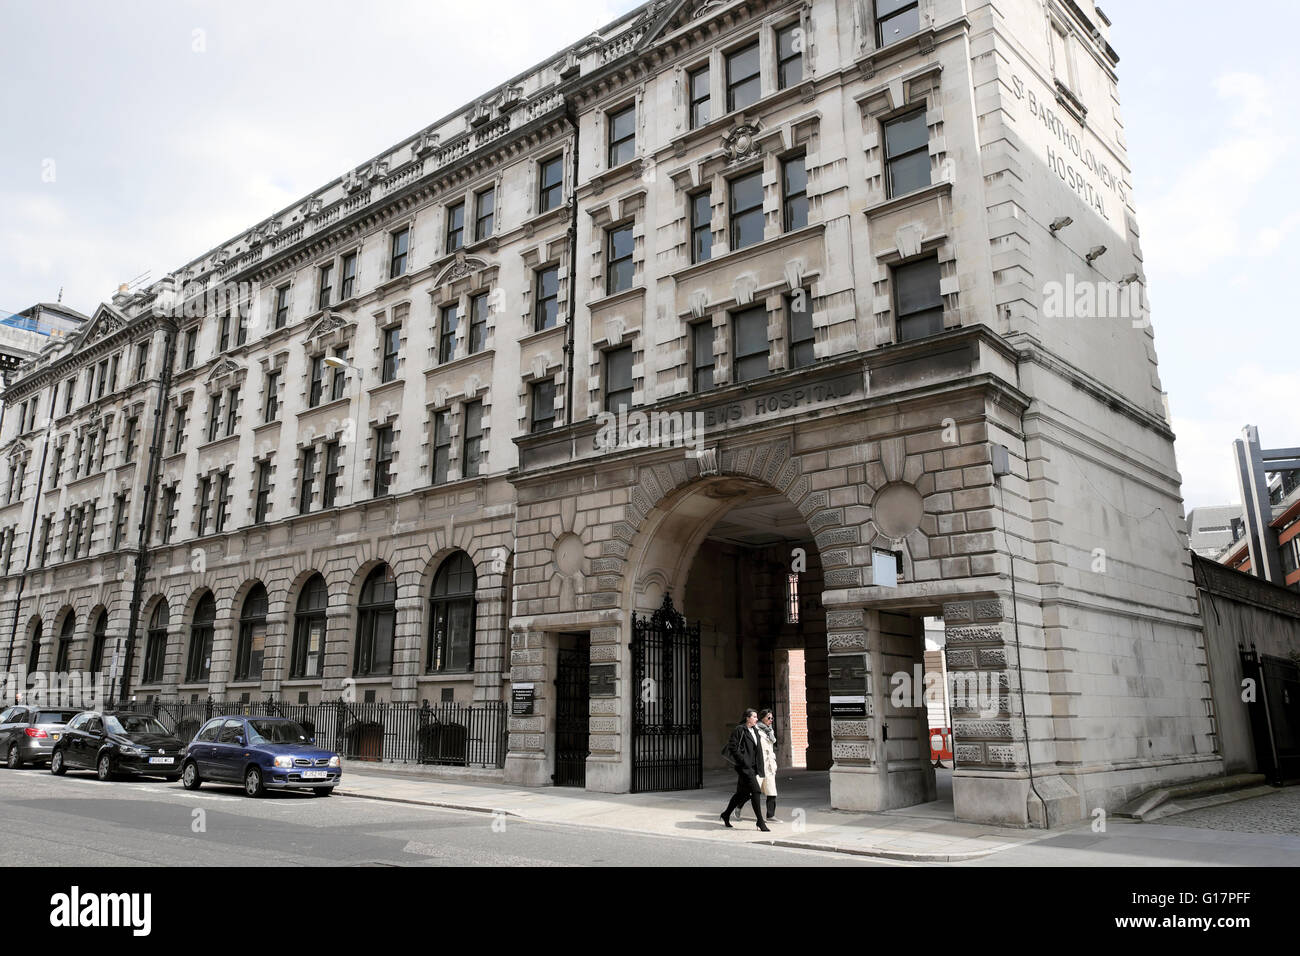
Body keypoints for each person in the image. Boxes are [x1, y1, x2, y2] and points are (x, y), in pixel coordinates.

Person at [720, 708, 769, 832]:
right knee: (756, 791)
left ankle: (726, 814)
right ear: (747, 718)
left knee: (741, 794)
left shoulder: (755, 730)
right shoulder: (740, 729)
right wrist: (743, 760)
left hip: (753, 767)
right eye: (754, 717)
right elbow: (733, 746)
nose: (756, 719)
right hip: (745, 768)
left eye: (756, 717)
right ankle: (760, 821)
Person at [756, 708, 779, 822]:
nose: (771, 720)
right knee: (752, 791)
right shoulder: (756, 730)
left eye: (772, 718)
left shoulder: (770, 731)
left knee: (772, 791)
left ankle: (770, 815)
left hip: (769, 765)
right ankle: (738, 807)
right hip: (759, 765)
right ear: (762, 718)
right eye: (768, 718)